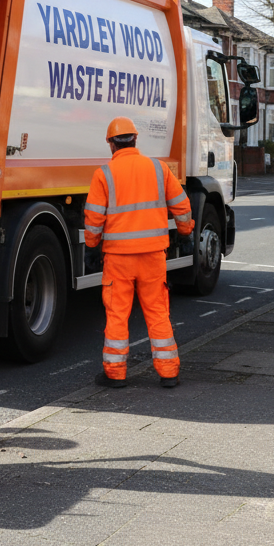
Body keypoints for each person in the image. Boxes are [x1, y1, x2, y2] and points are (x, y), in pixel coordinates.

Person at [83, 117, 195, 389]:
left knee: (117, 315)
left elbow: (94, 217)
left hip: (118, 259)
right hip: (153, 256)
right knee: (157, 312)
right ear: (135, 139)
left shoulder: (104, 174)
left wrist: (91, 245)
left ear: (111, 144)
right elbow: (182, 204)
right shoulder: (158, 169)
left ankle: (115, 373)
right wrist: (184, 232)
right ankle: (168, 372)